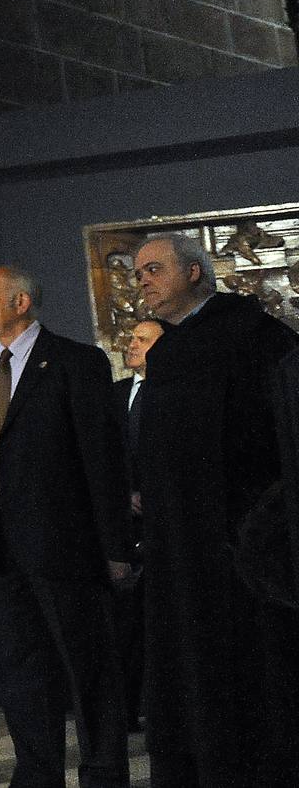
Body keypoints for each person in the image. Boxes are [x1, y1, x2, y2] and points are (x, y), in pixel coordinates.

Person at [130, 234, 299, 785]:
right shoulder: (172, 349)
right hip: (180, 550)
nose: (143, 281)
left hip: (240, 553)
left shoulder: (256, 337)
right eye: (138, 273)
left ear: (196, 272)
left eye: (154, 269)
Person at [0, 266, 130, 788]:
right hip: (3, 548)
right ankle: (36, 774)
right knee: (22, 671)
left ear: (21, 302)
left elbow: (101, 460)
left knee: (88, 668)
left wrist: (115, 545)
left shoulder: (76, 362)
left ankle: (103, 772)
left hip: (66, 547)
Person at [109, 316, 167, 732]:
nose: (131, 345)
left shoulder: (173, 393)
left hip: (167, 525)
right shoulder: (112, 395)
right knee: (124, 627)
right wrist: (123, 492)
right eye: (131, 337)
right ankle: (127, 709)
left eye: (143, 340)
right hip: (122, 529)